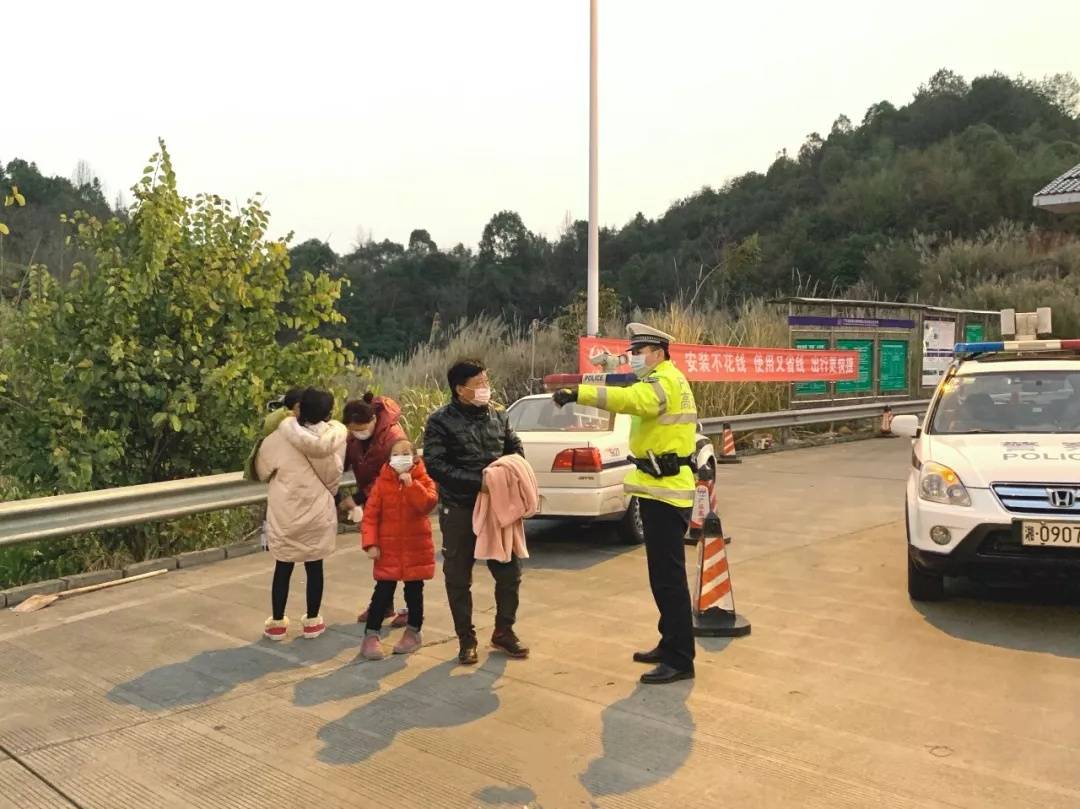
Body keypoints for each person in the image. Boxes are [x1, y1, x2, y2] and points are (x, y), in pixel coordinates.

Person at [553, 323, 698, 684]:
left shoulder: (662, 382)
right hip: (658, 487)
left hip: (666, 491)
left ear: (658, 352)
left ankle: (680, 659)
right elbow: (630, 392)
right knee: (662, 577)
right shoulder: (665, 378)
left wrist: (579, 393)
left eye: (639, 352)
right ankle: (670, 643)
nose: (634, 358)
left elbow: (629, 400)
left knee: (669, 579)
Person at [423, 359, 528, 665]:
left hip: (497, 507)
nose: (485, 388)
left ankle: (504, 631)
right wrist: (478, 483)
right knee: (458, 576)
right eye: (478, 383)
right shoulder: (440, 421)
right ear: (460, 389)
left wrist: (504, 477)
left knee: (509, 573)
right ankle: (466, 639)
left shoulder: (498, 415)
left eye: (486, 381)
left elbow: (515, 450)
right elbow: (436, 465)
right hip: (460, 507)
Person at [287, 393, 411, 628]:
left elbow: (393, 474)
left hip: (398, 501)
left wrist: (357, 498)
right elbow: (340, 463)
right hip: (375, 503)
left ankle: (409, 607)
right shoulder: (352, 438)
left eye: (361, 429)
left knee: (402, 555)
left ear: (373, 420)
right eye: (353, 430)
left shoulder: (393, 437)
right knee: (382, 555)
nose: (357, 433)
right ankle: (384, 604)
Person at [255, 388, 347, 641]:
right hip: (318, 513)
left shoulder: (278, 437)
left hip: (286, 513)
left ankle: (277, 624)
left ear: (298, 408)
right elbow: (335, 476)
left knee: (283, 567)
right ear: (328, 413)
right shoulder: (336, 438)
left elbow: (262, 470)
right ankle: (312, 623)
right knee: (314, 566)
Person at [358, 438, 439, 660]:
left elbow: (428, 504)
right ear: (389, 459)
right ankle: (371, 635)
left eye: (405, 453)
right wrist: (370, 543)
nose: (400, 457)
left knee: (414, 591)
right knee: (382, 592)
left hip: (415, 548)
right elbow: (370, 515)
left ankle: (413, 631)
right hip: (388, 549)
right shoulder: (382, 483)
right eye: (395, 454)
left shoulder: (423, 480)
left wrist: (412, 485)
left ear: (415, 458)